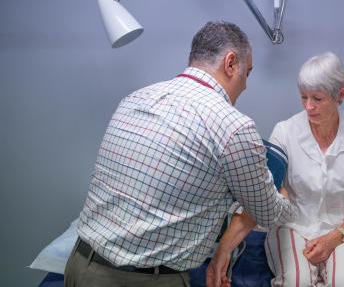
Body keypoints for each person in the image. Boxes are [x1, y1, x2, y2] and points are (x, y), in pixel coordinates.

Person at [64, 21, 298, 287]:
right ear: (230, 63)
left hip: (82, 266)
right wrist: (284, 196)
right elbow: (267, 213)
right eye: (248, 73)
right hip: (146, 280)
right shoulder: (234, 127)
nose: (245, 86)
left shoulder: (136, 98)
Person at [209, 52, 344, 287]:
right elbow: (263, 193)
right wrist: (224, 251)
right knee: (294, 282)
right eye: (303, 97)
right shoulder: (285, 132)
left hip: (342, 229)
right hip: (292, 225)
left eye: (317, 99)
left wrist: (333, 238)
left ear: (341, 95)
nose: (309, 106)